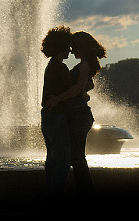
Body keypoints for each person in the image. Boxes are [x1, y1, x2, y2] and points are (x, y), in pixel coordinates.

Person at [44, 31, 106, 199]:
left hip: (79, 115)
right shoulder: (84, 64)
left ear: (81, 46)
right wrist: (85, 93)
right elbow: (82, 88)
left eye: (73, 47)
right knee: (75, 157)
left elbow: (78, 88)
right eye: (69, 47)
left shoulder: (84, 64)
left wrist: (58, 99)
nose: (71, 51)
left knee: (75, 158)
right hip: (78, 114)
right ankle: (85, 194)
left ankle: (85, 195)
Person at [39, 25, 73, 198]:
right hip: (57, 117)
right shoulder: (60, 67)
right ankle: (57, 198)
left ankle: (50, 196)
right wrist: (84, 89)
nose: (71, 50)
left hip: (47, 117)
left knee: (52, 159)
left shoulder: (51, 65)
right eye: (68, 46)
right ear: (62, 46)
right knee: (62, 160)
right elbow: (71, 90)